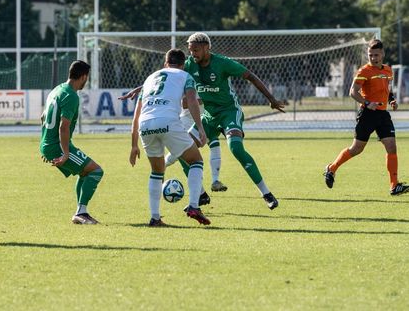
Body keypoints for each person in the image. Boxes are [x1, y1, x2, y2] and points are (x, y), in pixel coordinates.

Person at [123, 33, 285, 209]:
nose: (193, 54)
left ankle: (266, 194)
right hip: (209, 116)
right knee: (182, 151)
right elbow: (166, 76)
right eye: (190, 50)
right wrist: (139, 89)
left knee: (236, 148)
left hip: (229, 112)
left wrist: (271, 99)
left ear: (207, 48)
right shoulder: (189, 64)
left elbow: (250, 76)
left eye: (196, 50)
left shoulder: (223, 63)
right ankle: (201, 195)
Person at [129, 48, 210, 226]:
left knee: (157, 171)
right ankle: (194, 206)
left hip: (145, 124)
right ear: (183, 65)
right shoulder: (185, 76)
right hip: (168, 121)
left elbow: (136, 114)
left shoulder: (149, 78)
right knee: (196, 160)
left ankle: (155, 218)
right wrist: (200, 128)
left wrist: (134, 145)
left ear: (166, 63)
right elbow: (191, 101)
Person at [323, 39, 409, 195]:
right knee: (357, 149)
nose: (373, 58)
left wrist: (392, 100)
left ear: (382, 54)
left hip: (382, 115)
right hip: (367, 115)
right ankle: (332, 168)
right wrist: (367, 103)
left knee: (391, 147)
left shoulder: (388, 70)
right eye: (370, 55)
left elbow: (387, 89)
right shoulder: (364, 71)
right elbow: (353, 92)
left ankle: (394, 185)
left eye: (376, 55)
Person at [40, 60, 105, 224]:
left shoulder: (57, 90)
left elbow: (43, 117)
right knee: (96, 171)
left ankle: (81, 212)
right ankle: (81, 213)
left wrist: (44, 145)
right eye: (86, 78)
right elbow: (63, 127)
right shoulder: (71, 96)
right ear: (83, 77)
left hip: (49, 144)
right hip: (58, 146)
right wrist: (65, 153)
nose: (86, 81)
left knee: (85, 172)